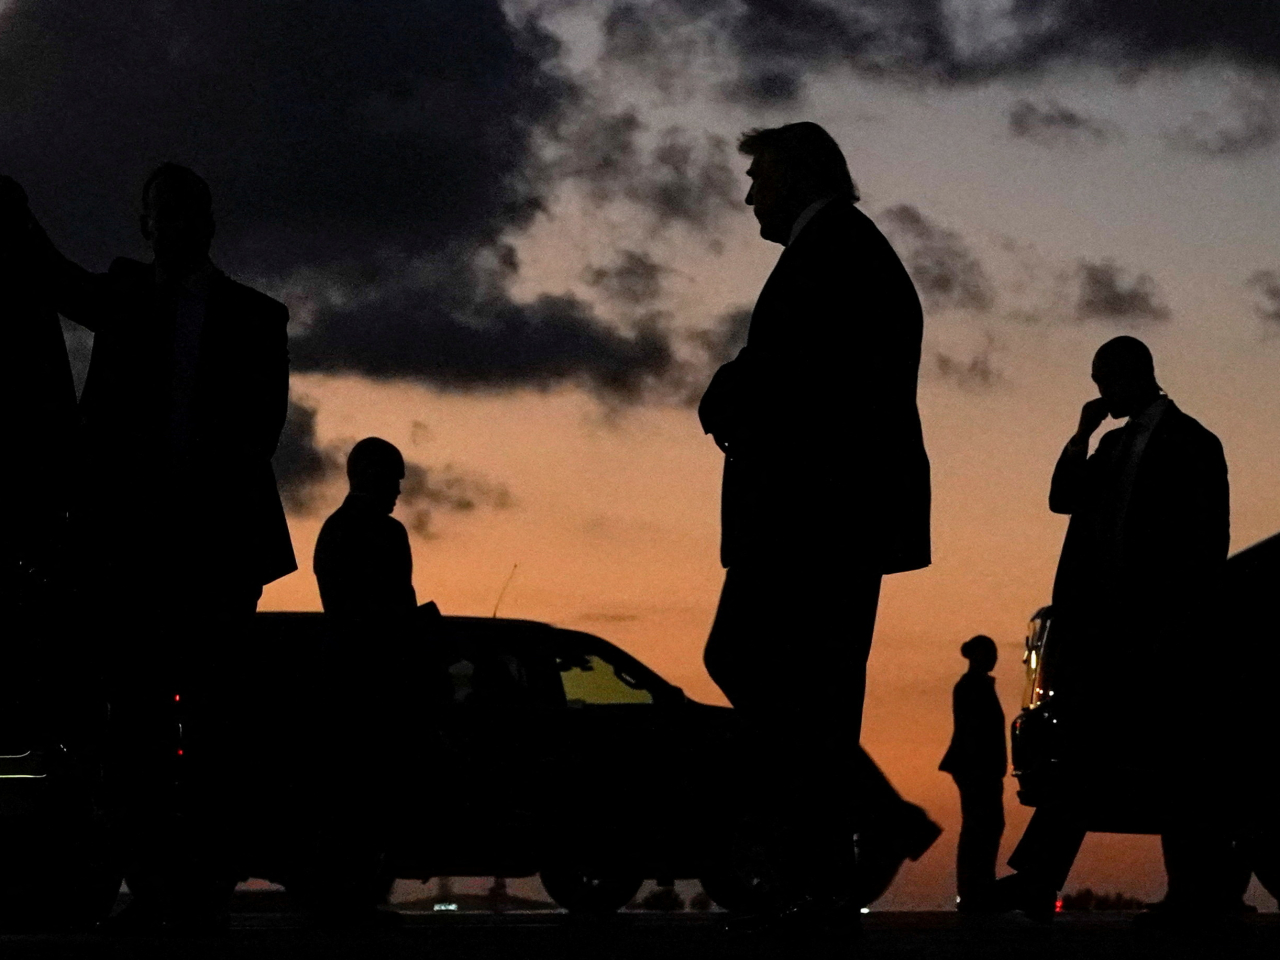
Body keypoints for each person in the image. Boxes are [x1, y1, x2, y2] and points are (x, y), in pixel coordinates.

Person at [23, 163, 296, 932]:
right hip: (133, 552)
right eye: (160, 212)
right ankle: (150, 879)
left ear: (206, 221)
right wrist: (17, 212)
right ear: (147, 225)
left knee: (210, 721)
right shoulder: (124, 294)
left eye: (184, 210)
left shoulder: (255, 317)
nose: (172, 223)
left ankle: (200, 880)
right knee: (137, 720)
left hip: (212, 553)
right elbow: (55, 280)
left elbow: (258, 437)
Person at [698, 122, 935, 931]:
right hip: (830, 514)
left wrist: (731, 395)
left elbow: (804, 373)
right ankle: (832, 864)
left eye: (760, 177)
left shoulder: (833, 251)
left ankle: (843, 848)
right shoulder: (842, 249)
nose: (749, 193)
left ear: (799, 174)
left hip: (815, 515)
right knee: (813, 694)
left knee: (758, 666)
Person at [997, 336, 1231, 924]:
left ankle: (1188, 893)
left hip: (1159, 630)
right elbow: (1061, 498)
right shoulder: (1112, 444)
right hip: (1103, 631)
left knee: (1172, 760)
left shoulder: (1194, 443)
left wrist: (1182, 620)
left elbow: (1208, 538)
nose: (1099, 392)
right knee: (1090, 754)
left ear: (1131, 375)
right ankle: (1038, 879)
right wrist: (1080, 434)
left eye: (1103, 380)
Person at [309, 437, 417, 927]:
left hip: (358, 681)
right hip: (366, 685)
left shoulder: (340, 531)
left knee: (362, 799)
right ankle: (353, 896)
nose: (398, 488)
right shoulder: (373, 534)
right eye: (392, 477)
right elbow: (381, 610)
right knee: (364, 798)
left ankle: (353, 895)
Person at [939, 635, 1006, 912]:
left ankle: (977, 889)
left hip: (980, 768)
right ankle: (975, 891)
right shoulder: (970, 687)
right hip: (977, 768)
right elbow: (976, 732)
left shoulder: (974, 686)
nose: (993, 657)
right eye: (989, 652)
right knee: (981, 828)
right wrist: (983, 768)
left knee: (983, 827)